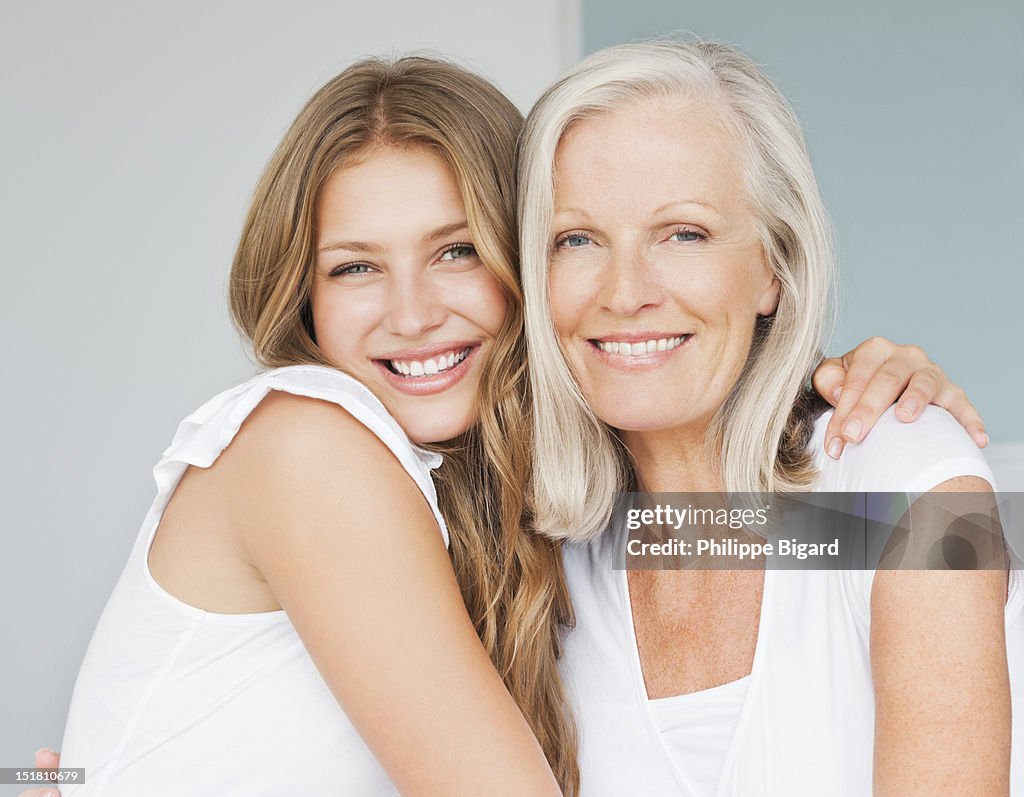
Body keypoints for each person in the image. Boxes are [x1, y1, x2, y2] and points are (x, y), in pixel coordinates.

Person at [20, 52, 989, 797]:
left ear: (775, 263)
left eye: (455, 250)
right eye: (355, 265)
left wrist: (876, 409)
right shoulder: (313, 450)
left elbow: (888, 524)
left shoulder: (572, 535)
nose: (410, 313)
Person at [518, 39, 1021, 796]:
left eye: (682, 232)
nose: (624, 292)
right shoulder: (540, 553)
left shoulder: (909, 482)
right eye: (576, 239)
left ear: (775, 270)